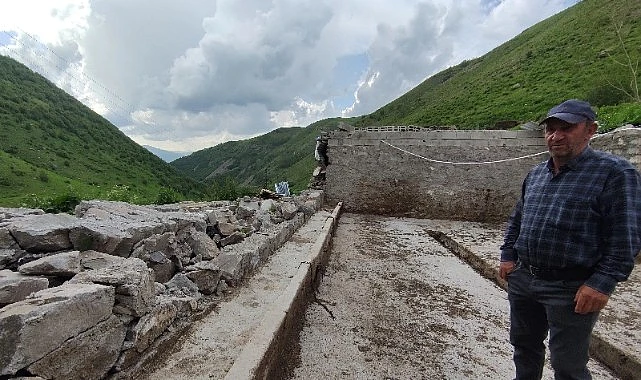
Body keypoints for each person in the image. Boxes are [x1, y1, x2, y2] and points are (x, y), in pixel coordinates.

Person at [499, 99, 641, 380]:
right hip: (525, 279)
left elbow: (626, 238)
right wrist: (508, 255)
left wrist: (601, 284)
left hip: (571, 287)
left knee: (567, 365)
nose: (556, 136)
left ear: (590, 130)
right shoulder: (537, 174)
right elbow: (518, 219)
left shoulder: (614, 174)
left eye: (567, 128)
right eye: (550, 129)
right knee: (524, 347)